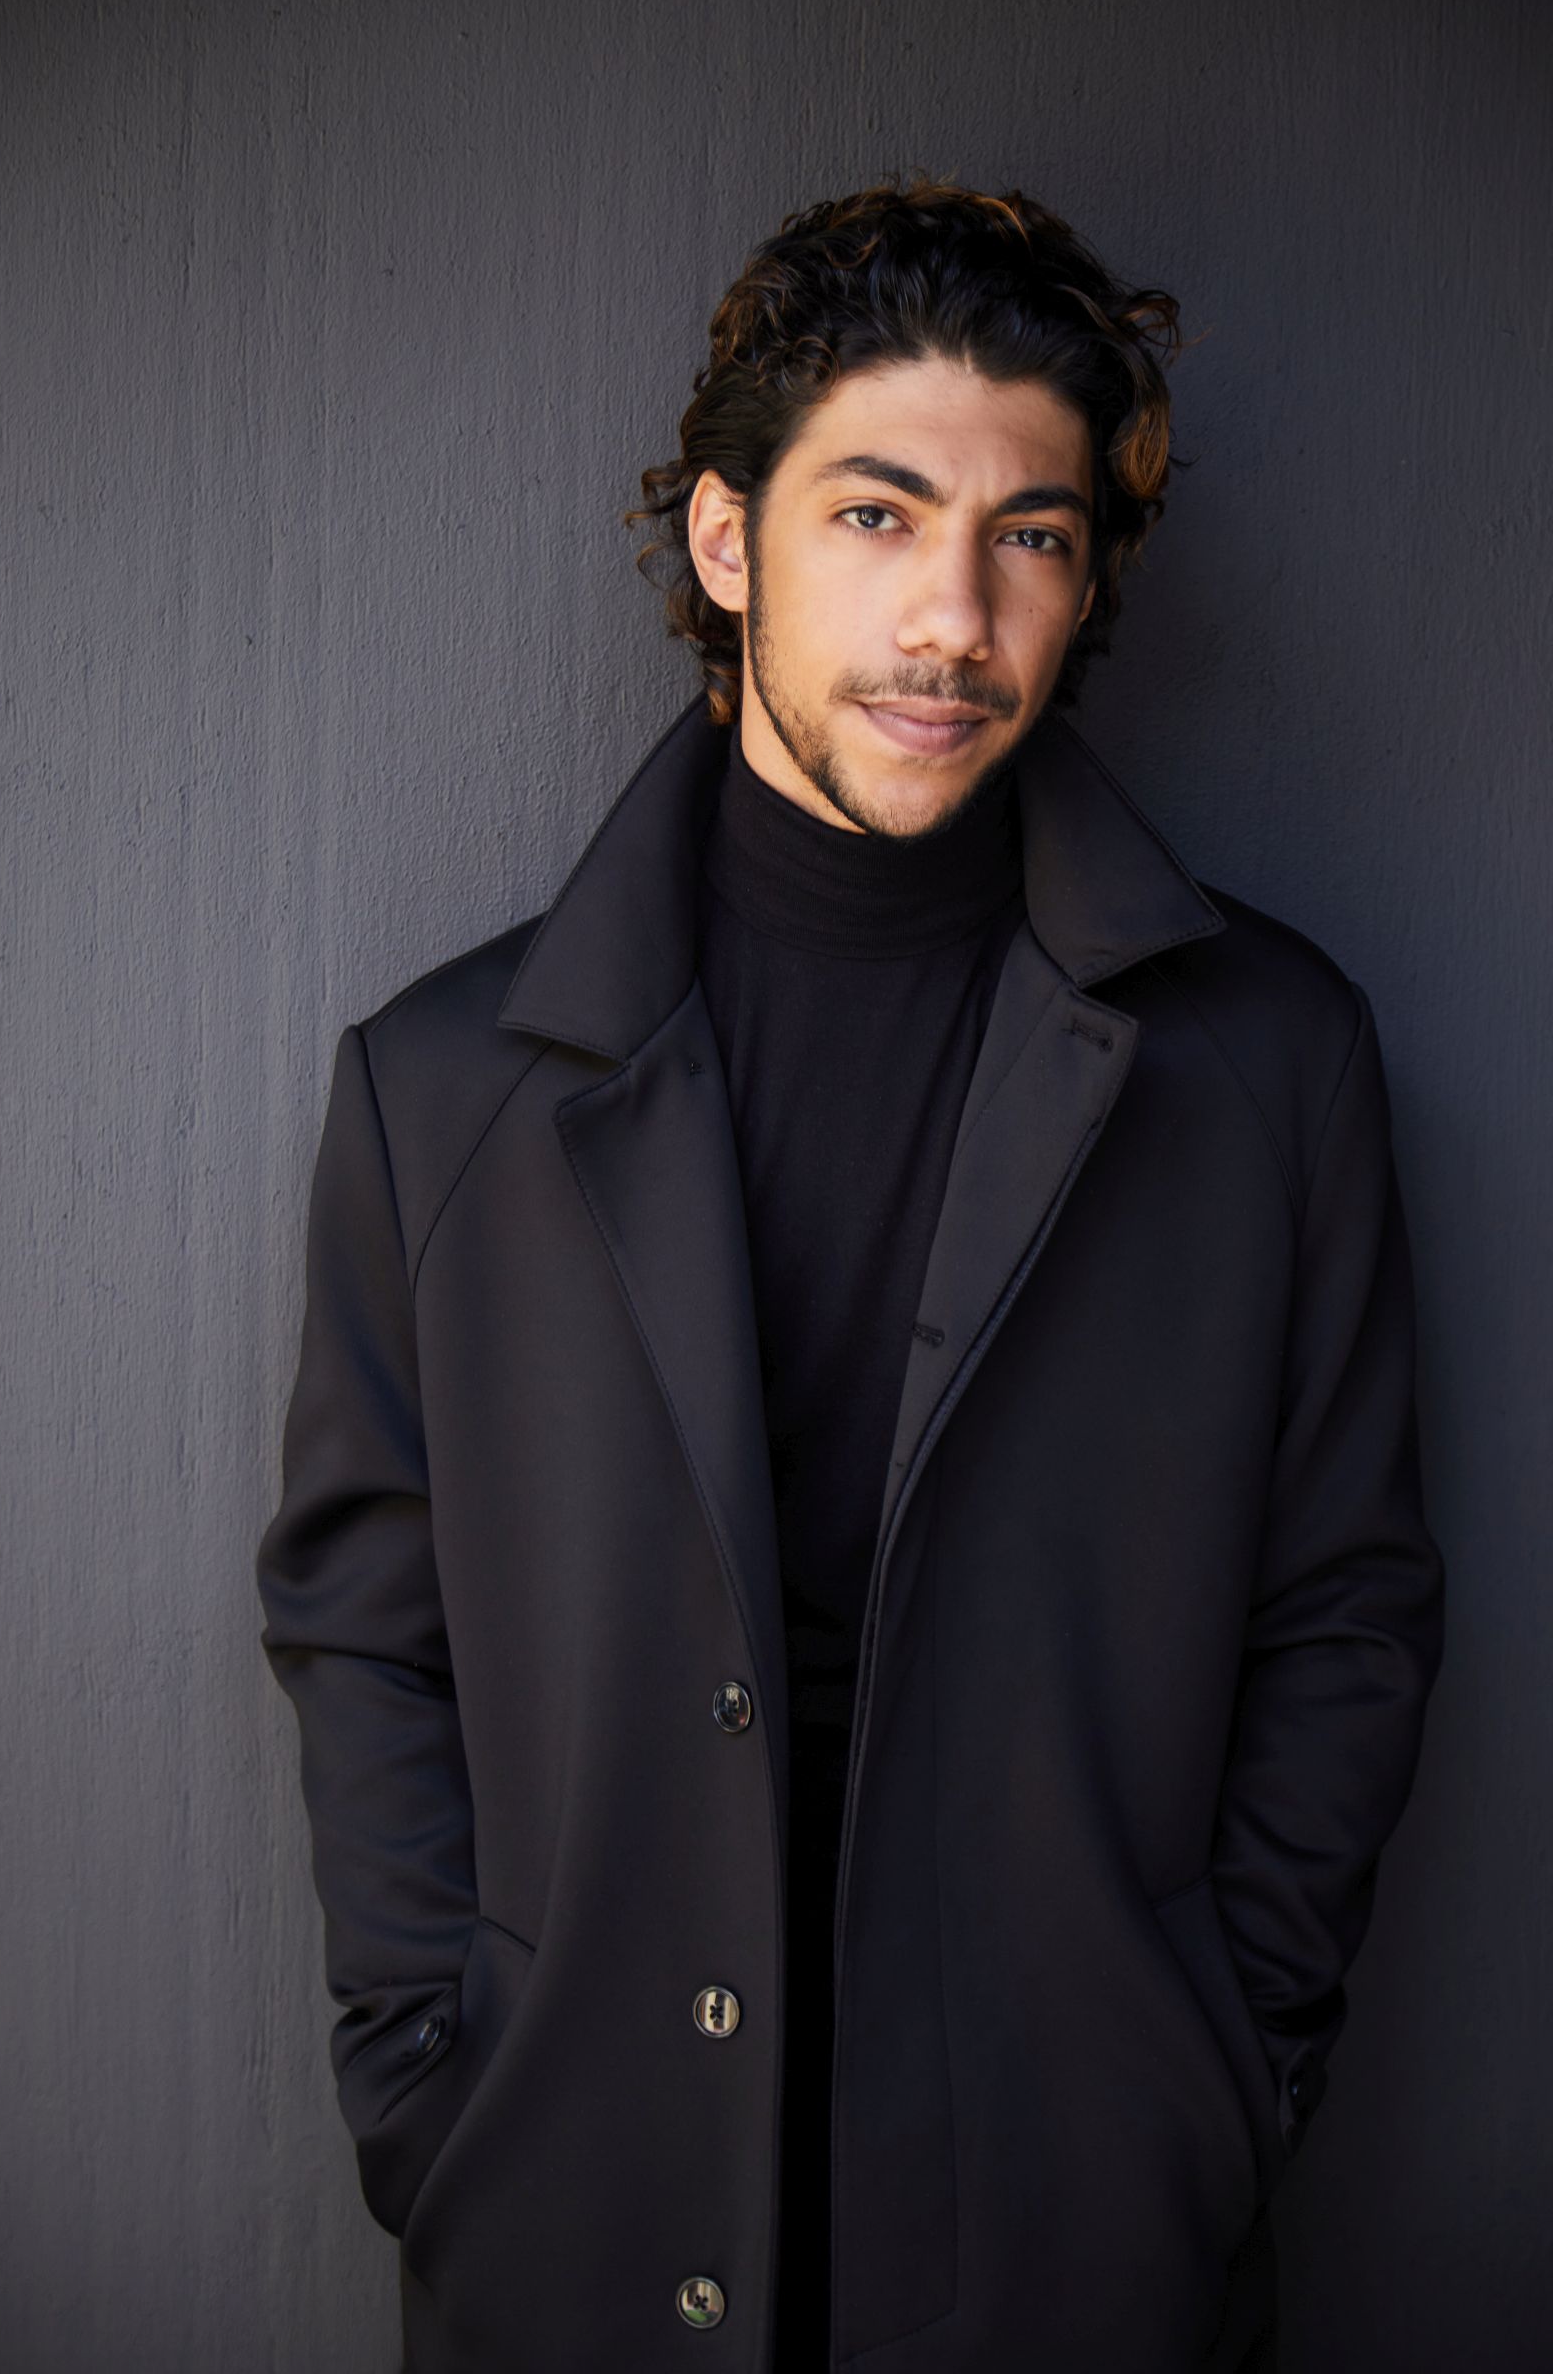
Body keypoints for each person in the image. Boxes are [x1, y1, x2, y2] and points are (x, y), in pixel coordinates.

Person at [255, 178, 1445, 2374]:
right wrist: (435, 2092)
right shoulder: (442, 1093)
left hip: (1080, 2211)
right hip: (573, 2209)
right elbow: (362, 1617)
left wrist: (1219, 2071)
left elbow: (1343, 1608)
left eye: (1031, 536)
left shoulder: (1267, 1066)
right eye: (876, 518)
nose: (954, 622)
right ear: (728, 543)